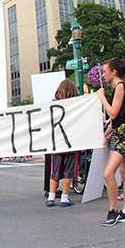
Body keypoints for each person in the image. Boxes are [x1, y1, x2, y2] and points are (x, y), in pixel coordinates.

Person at [97, 58, 125, 226]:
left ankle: (113, 210)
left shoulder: (120, 87)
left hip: (124, 137)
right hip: (124, 134)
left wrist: (102, 98)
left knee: (108, 173)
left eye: (105, 71)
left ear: (114, 72)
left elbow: (113, 114)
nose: (103, 74)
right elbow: (118, 118)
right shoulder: (120, 87)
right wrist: (107, 134)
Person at [45, 80, 79, 208]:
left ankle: (51, 197)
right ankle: (64, 198)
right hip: (70, 142)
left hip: (56, 142)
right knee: (68, 170)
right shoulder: (76, 106)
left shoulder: (53, 106)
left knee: (55, 170)